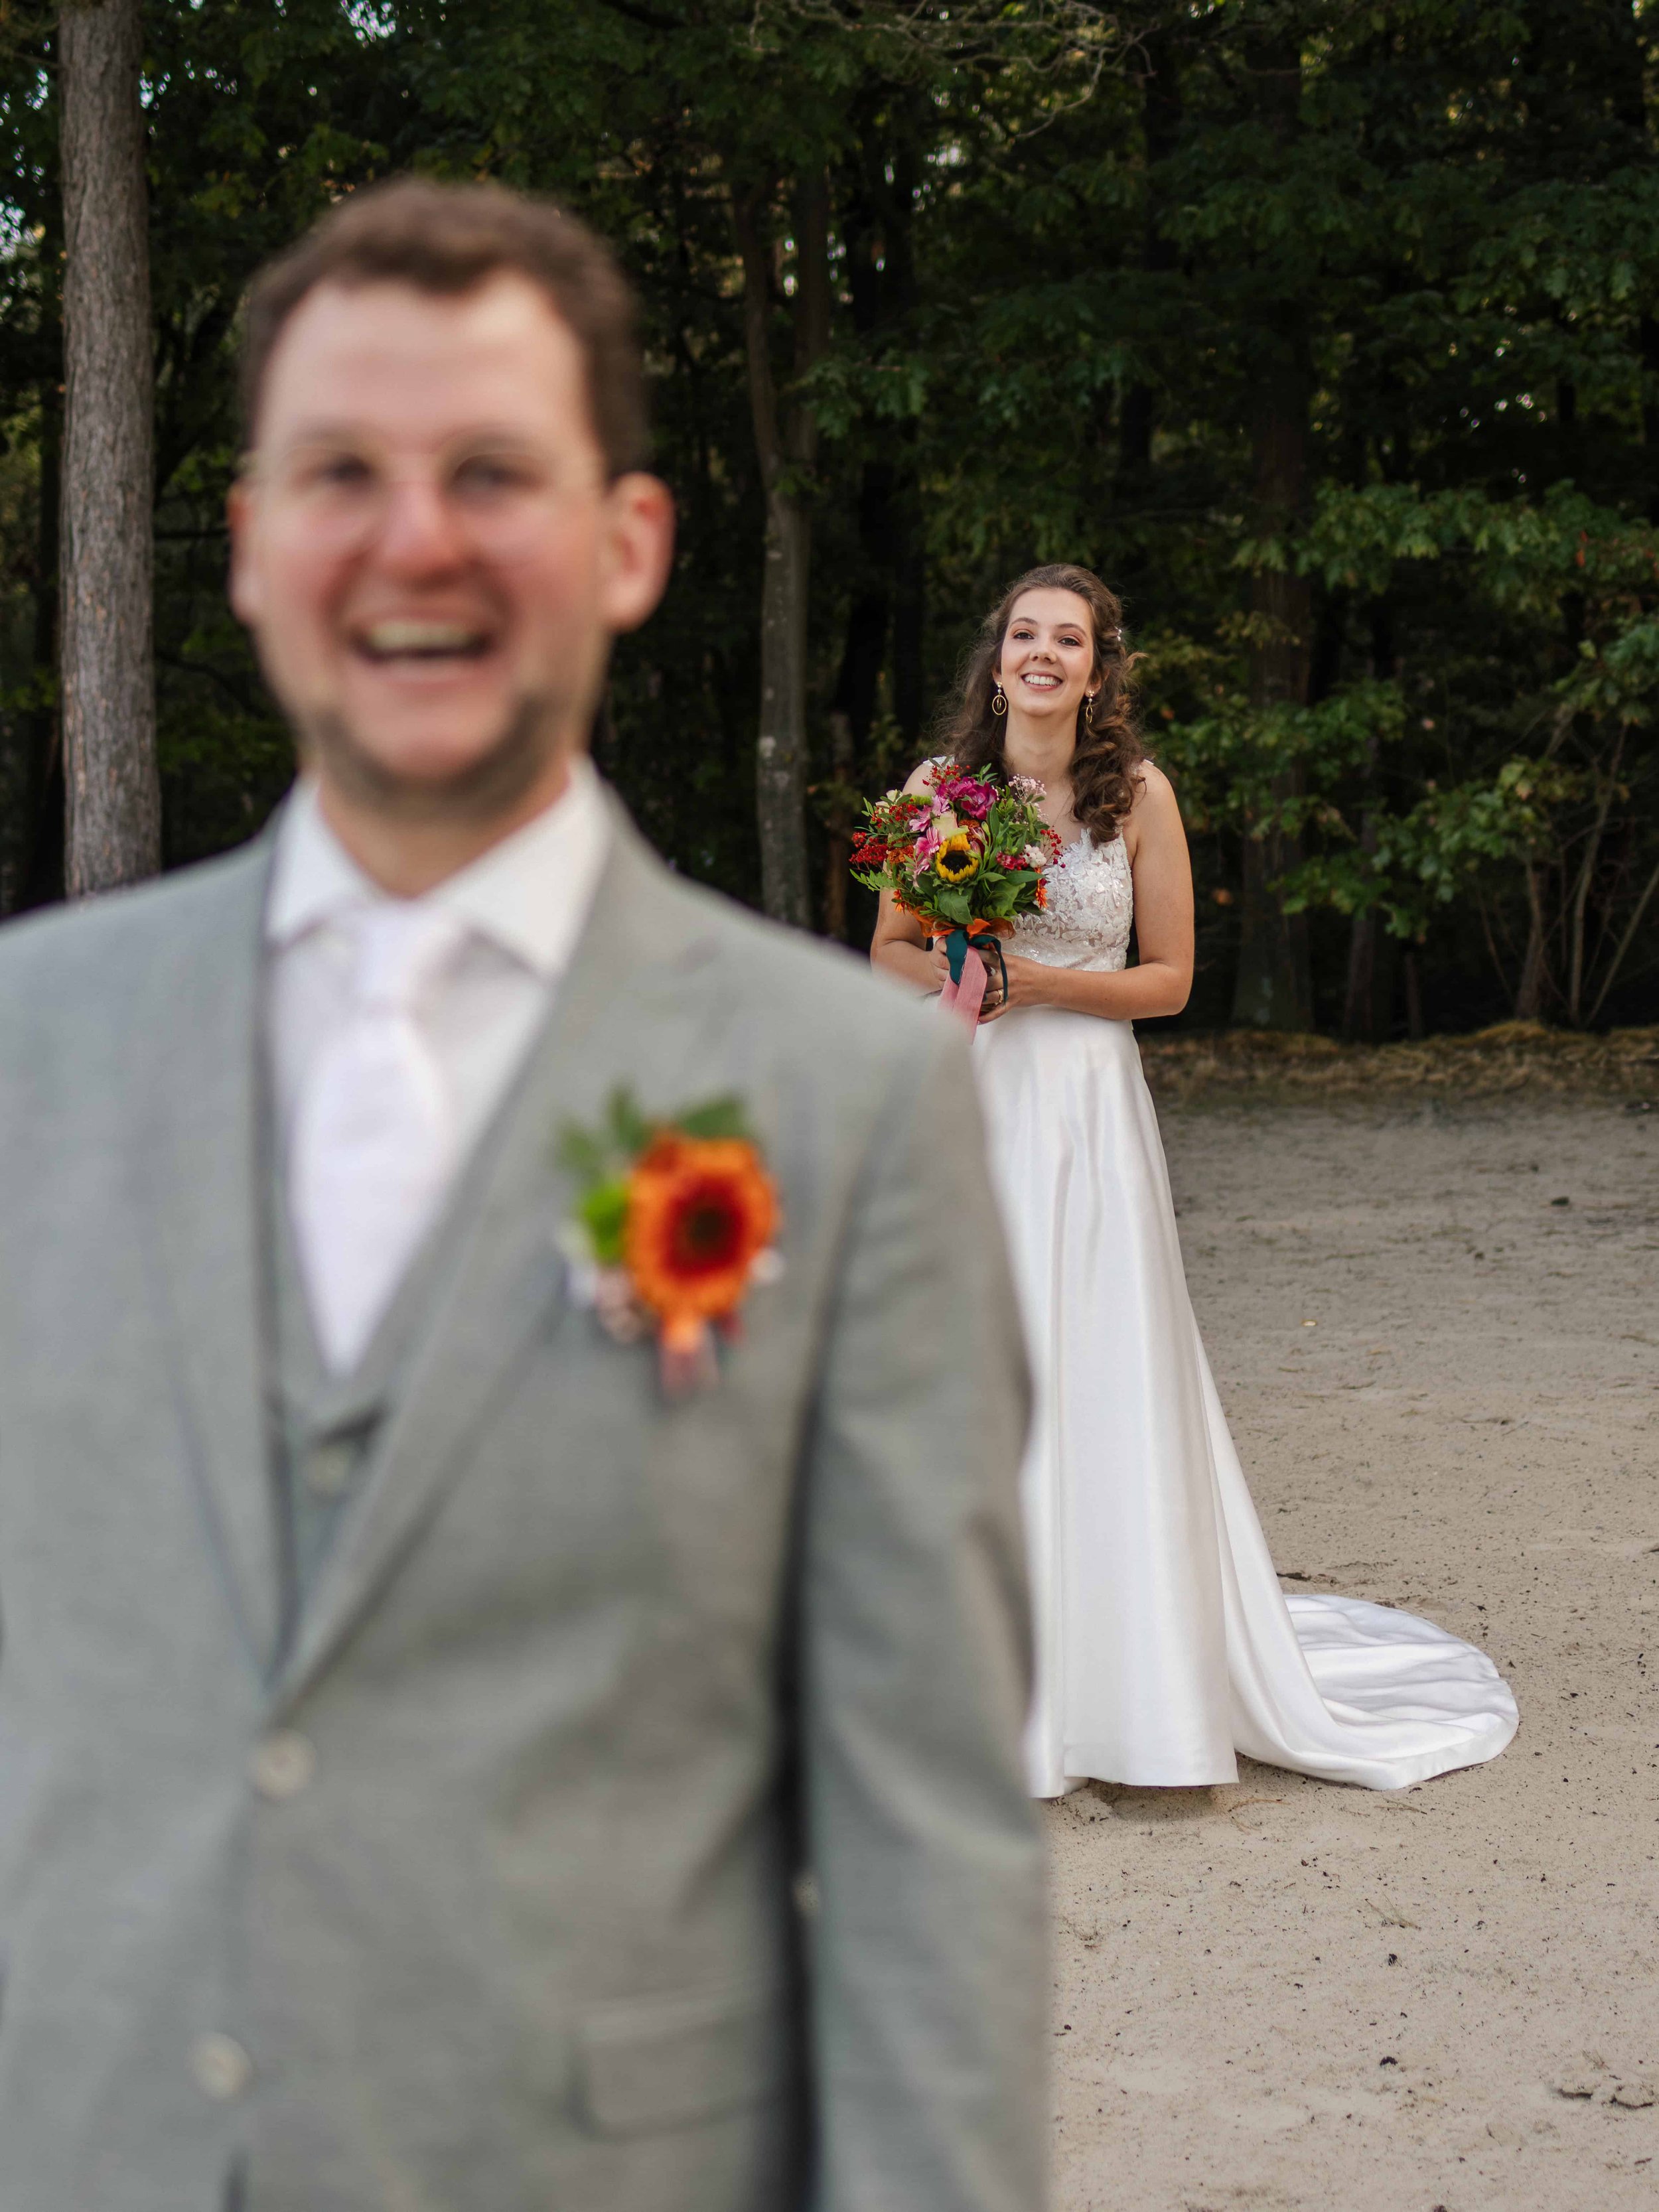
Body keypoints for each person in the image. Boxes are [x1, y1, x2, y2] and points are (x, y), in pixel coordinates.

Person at [0, 180, 1045, 2211]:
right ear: (250, 544)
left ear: (627, 540)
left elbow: (925, 1839)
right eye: (341, 474)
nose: (416, 538)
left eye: (490, 471)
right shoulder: (29, 1046)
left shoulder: (849, 1100)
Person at [873, 562, 1518, 1799]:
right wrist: (964, 974)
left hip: (1089, 1106)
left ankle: (1122, 1685)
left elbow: (1168, 981)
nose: (1042, 653)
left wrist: (1036, 981)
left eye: (1069, 639)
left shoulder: (1138, 794)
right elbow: (889, 948)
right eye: (1024, 634)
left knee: (1100, 1358)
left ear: (1099, 668)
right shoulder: (937, 791)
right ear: (997, 661)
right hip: (974, 1098)